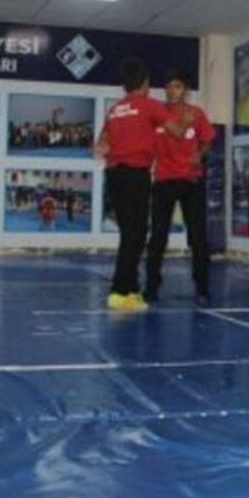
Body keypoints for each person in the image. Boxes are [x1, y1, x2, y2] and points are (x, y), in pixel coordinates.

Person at [95, 57, 170, 312]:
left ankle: (131, 289)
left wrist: (122, 143)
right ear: (146, 83)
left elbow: (100, 145)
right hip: (135, 174)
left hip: (114, 174)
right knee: (135, 234)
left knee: (130, 233)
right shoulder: (149, 105)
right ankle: (118, 291)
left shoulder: (115, 109)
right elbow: (177, 130)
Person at [144, 71, 215, 308]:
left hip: (190, 180)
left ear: (185, 90)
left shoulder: (197, 113)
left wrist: (200, 154)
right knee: (158, 237)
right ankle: (151, 287)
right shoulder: (157, 115)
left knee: (198, 237)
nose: (171, 90)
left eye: (176, 86)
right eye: (168, 86)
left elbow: (207, 141)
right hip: (164, 180)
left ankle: (202, 288)